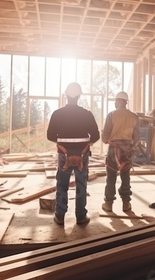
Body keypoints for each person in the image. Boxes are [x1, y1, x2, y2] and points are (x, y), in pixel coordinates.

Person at [47, 82, 100, 226]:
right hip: (82, 155)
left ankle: (60, 216)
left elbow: (50, 135)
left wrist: (62, 142)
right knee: (81, 184)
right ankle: (81, 216)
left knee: (62, 183)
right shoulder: (86, 114)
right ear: (79, 96)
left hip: (64, 154)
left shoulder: (57, 114)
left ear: (66, 95)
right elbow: (95, 135)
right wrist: (86, 144)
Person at [101, 91, 140, 212]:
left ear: (118, 101)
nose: (114, 103)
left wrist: (108, 141)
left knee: (111, 176)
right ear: (126, 102)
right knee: (125, 176)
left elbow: (105, 136)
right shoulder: (134, 116)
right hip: (127, 149)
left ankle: (108, 204)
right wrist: (130, 145)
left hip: (114, 149)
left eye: (115, 101)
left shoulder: (111, 115)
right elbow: (137, 137)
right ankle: (126, 204)